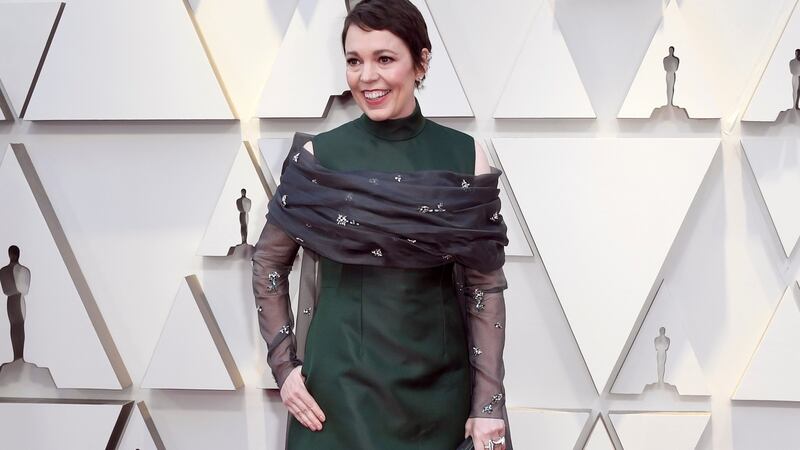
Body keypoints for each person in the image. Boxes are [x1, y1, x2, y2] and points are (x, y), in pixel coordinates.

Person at [252, 1, 511, 448]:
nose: (366, 77)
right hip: (335, 397)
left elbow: (484, 287)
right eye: (354, 61)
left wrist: (487, 405)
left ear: (422, 61)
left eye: (384, 59)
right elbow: (268, 263)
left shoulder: (464, 155)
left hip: (439, 398)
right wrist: (285, 368)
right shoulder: (319, 158)